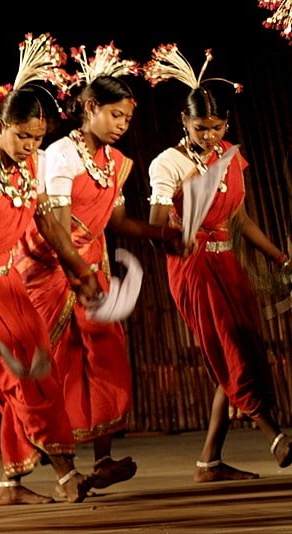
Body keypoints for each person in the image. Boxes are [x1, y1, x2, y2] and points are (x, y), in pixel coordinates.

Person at [18, 43, 184, 493]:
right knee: (61, 366)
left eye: (127, 119)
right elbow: (52, 225)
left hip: (91, 265)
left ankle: (104, 459)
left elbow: (114, 221)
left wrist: (162, 235)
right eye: (115, 116)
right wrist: (79, 272)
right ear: (89, 108)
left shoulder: (113, 163)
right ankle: (62, 469)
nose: (122, 126)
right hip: (51, 269)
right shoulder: (60, 155)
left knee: (104, 359)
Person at [0, 34, 99, 505]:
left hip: (10, 285)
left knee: (38, 373)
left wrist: (77, 268)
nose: (30, 145)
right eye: (21, 135)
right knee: (20, 380)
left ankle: (11, 485)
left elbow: (47, 225)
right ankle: (67, 473)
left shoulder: (30, 167)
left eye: (37, 138)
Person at [145, 45, 292, 482]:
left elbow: (239, 217)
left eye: (217, 126)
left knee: (235, 349)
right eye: (200, 127)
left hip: (228, 262)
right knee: (229, 346)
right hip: (192, 268)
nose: (209, 135)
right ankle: (275, 435)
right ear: (183, 122)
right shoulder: (167, 163)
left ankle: (209, 461)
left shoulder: (230, 157)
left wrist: (280, 258)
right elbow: (156, 227)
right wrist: (185, 210)